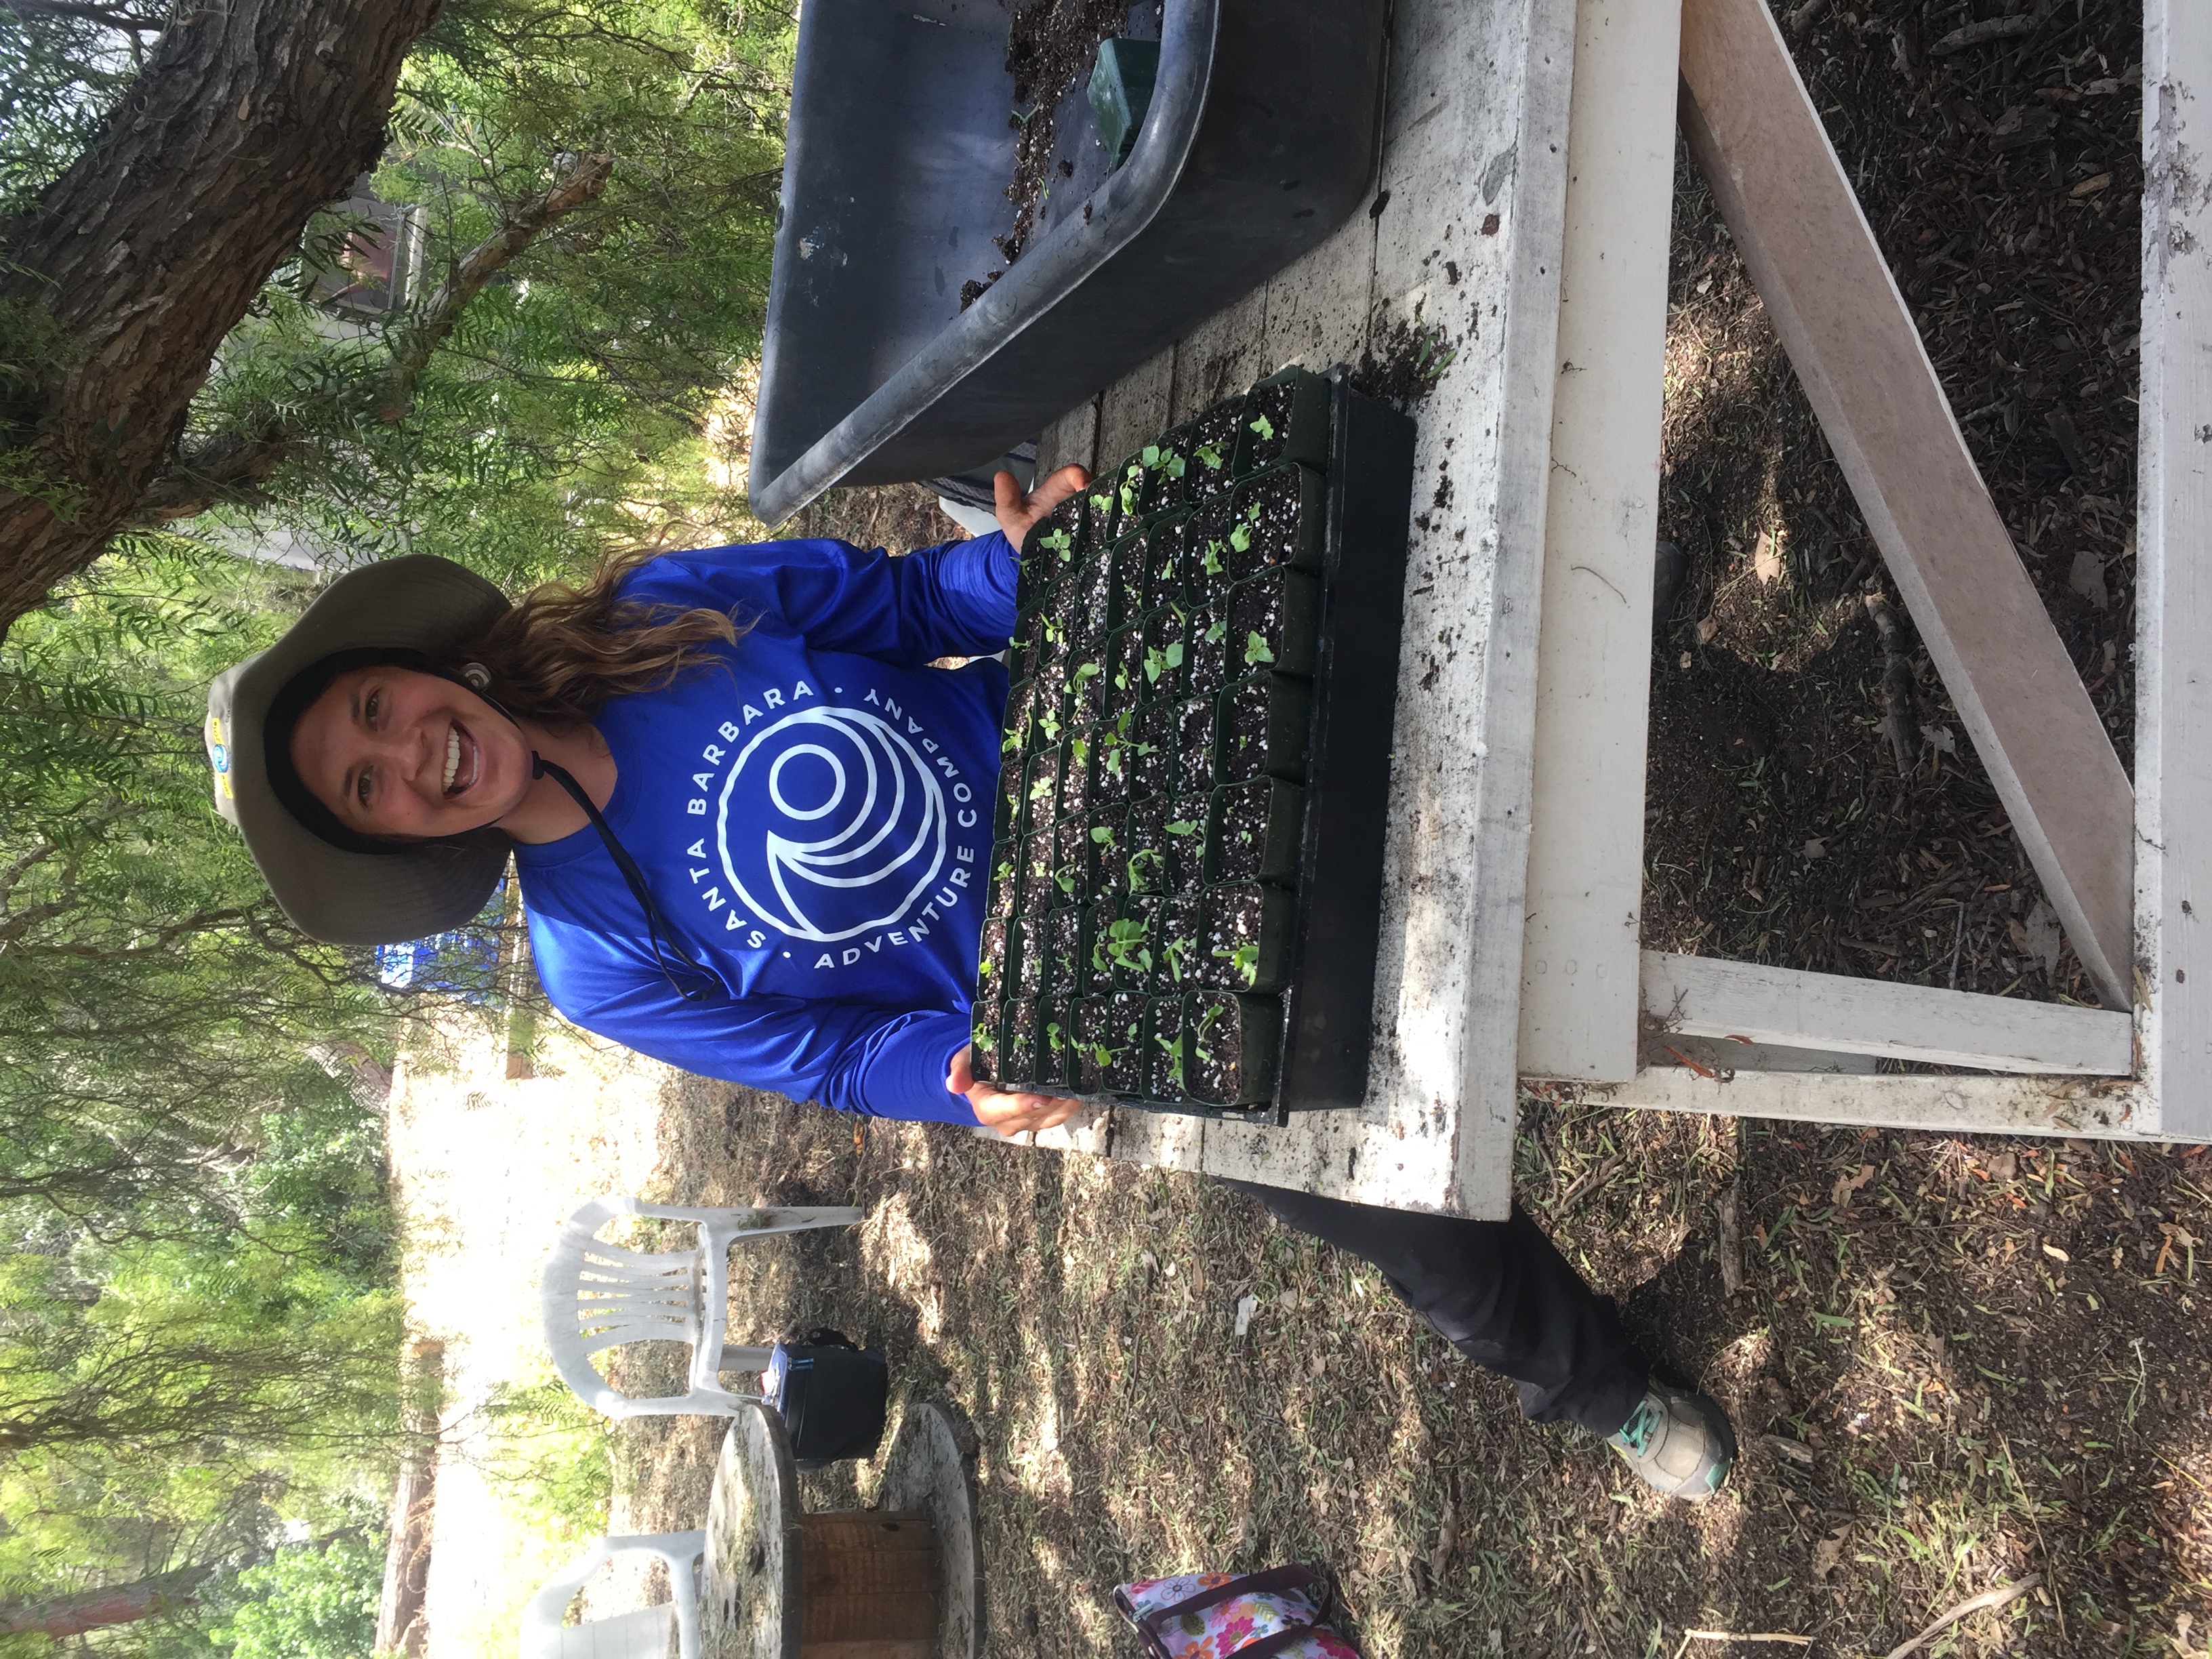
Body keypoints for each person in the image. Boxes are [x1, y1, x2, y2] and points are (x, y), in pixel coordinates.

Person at [203, 469, 1736, 1500]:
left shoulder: (652, 617)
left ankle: (1617, 621)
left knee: (1392, 650)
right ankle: (1606, 1397)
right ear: (394, 839)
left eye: (379, 709)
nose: (408, 756)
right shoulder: (593, 962)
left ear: (423, 670)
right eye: (369, 788)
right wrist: (960, 1071)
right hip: (1087, 976)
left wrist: (1013, 570)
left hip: (1106, 738)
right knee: (1394, 1205)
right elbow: (821, 1057)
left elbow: (917, 611)